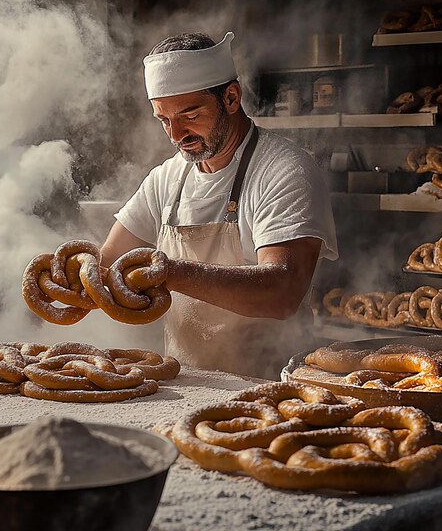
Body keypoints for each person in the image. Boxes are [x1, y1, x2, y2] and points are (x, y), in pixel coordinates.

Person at [101, 31, 337, 379]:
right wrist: (70, 276)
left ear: (230, 97)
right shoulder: (167, 179)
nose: (176, 134)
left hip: (269, 388)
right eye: (164, 119)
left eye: (190, 115)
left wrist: (172, 272)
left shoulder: (285, 171)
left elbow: (282, 292)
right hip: (186, 385)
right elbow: (108, 263)